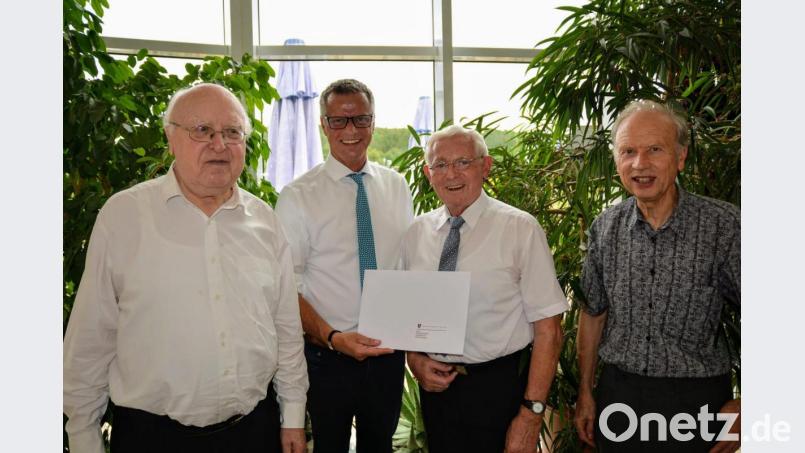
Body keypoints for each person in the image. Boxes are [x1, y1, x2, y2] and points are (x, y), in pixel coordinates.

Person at [63, 83, 308, 453]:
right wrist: (83, 435)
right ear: (170, 137)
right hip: (152, 438)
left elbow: (286, 328)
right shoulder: (123, 216)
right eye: (202, 131)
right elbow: (90, 339)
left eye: (232, 132)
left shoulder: (265, 221)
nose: (219, 145)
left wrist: (292, 416)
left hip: (252, 433)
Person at [573, 99, 741, 452]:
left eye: (654, 150)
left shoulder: (725, 227)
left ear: (680, 157)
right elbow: (592, 314)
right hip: (619, 400)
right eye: (628, 151)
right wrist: (586, 393)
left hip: (698, 406)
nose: (640, 164)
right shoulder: (605, 228)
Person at [403, 125, 569, 453]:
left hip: (500, 388)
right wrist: (415, 360)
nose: (452, 174)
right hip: (437, 394)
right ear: (428, 173)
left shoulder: (520, 229)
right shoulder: (415, 234)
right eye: (440, 165)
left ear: (485, 166)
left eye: (463, 162)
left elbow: (549, 329)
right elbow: (410, 314)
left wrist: (532, 413)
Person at [275, 79, 414, 452]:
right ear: (324, 125)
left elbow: (407, 270)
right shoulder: (297, 197)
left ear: (373, 122)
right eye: (339, 121)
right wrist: (334, 338)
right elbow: (286, 288)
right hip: (326, 356)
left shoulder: (397, 186)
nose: (350, 131)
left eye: (360, 120)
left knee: (379, 447)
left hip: (387, 355)